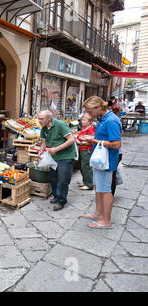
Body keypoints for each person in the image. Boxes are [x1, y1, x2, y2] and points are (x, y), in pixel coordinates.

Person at [82, 96, 122, 229]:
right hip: (100, 160)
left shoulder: (111, 121)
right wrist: (93, 139)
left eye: (90, 111)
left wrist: (94, 141)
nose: (89, 115)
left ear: (98, 108)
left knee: (105, 189)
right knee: (98, 187)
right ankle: (98, 213)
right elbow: (105, 138)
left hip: (107, 161)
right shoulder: (103, 118)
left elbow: (116, 144)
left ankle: (106, 220)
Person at [38, 110, 77, 211]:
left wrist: (56, 149)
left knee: (63, 179)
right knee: (53, 177)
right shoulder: (44, 128)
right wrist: (41, 151)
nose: (39, 121)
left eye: (41, 119)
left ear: (49, 118)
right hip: (54, 156)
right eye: (38, 118)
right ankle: (56, 195)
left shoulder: (60, 124)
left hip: (66, 155)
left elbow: (71, 140)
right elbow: (43, 142)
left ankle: (61, 200)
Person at [75, 113, 95, 190]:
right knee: (82, 166)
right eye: (82, 120)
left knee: (86, 166)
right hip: (82, 149)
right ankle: (85, 181)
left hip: (87, 150)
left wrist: (82, 142)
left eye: (84, 120)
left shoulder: (91, 129)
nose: (82, 121)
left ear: (90, 121)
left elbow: (92, 140)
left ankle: (89, 184)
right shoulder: (83, 128)